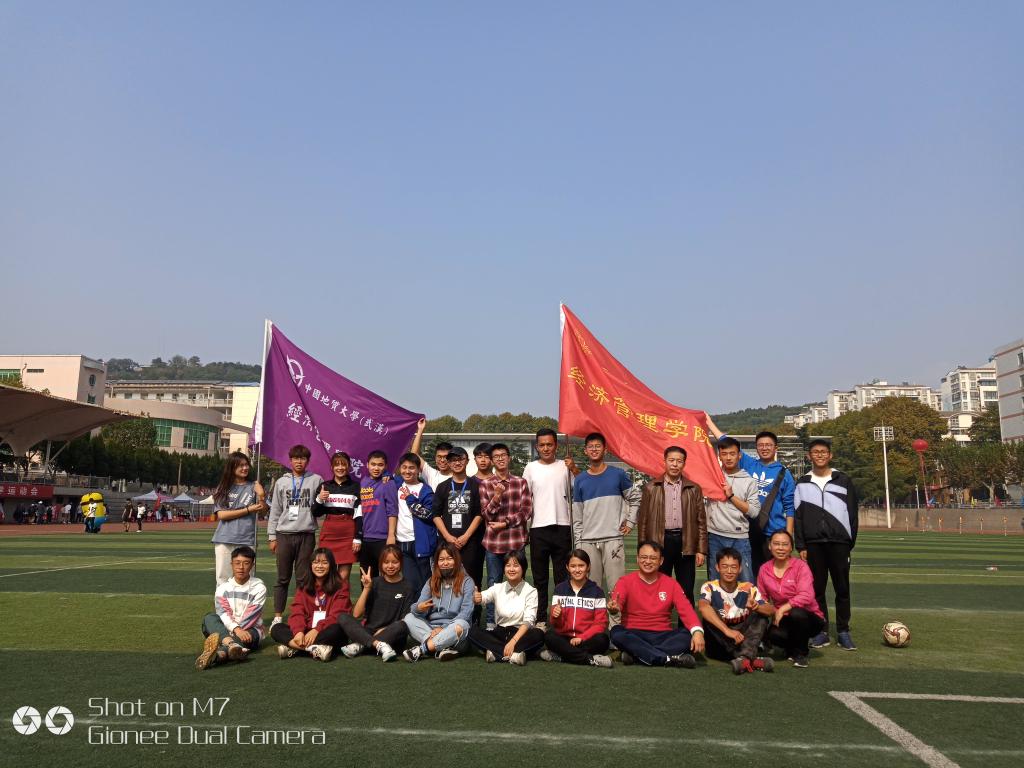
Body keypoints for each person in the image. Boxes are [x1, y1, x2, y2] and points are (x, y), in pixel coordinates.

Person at [705, 418, 795, 576]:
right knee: (750, 572)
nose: (764, 448)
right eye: (761, 445)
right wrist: (708, 421)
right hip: (749, 529)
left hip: (773, 531)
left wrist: (787, 537)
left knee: (774, 575)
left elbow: (789, 507)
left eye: (768, 445)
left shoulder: (784, 473)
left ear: (776, 448)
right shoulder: (750, 464)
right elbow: (726, 443)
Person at [794, 439, 859, 651]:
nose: (820, 455)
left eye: (823, 452)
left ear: (830, 455)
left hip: (839, 543)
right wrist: (801, 545)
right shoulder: (802, 482)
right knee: (817, 590)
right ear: (809, 456)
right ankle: (821, 631)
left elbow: (853, 513)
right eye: (815, 452)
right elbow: (798, 516)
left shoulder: (843, 480)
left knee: (842, 588)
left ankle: (843, 631)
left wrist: (848, 542)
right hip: (813, 544)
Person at [607, 540, 705, 667]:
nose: (648, 561)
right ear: (637, 559)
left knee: (687, 635)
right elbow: (617, 603)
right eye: (644, 557)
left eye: (653, 558)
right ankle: (666, 658)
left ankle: (638, 654)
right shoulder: (625, 581)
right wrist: (614, 608)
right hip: (634, 633)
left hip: (663, 636)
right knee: (616, 632)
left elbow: (686, 609)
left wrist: (697, 631)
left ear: (661, 561)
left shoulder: (671, 583)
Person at [570, 432, 640, 601]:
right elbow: (577, 514)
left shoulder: (618, 474)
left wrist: (630, 522)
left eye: (598, 446)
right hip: (588, 542)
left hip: (613, 539)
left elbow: (636, 497)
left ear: (605, 450)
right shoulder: (580, 480)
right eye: (590, 447)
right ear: (585, 451)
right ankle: (595, 619)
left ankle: (617, 619)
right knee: (591, 590)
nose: (594, 449)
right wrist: (579, 543)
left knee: (617, 589)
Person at [636, 445, 707, 606]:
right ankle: (660, 620)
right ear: (665, 461)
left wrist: (701, 550)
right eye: (671, 460)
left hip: (685, 542)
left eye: (679, 461)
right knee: (659, 588)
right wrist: (642, 549)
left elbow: (701, 521)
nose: (675, 464)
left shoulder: (694, 488)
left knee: (686, 589)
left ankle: (686, 622)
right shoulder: (651, 487)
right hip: (659, 542)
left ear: (684, 463)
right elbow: (643, 521)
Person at [522, 428, 574, 628]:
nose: (546, 448)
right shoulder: (530, 468)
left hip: (563, 526)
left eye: (549, 444)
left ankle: (562, 618)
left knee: (562, 577)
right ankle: (541, 618)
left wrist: (574, 469)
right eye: (542, 445)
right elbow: (525, 499)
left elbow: (578, 488)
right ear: (537, 447)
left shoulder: (565, 466)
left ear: (556, 446)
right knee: (540, 578)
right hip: (538, 528)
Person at [478, 443, 533, 630]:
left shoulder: (520, 482)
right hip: (494, 543)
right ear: (492, 461)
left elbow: (526, 511)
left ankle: (518, 621)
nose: (500, 459)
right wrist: (497, 496)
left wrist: (505, 523)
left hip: (516, 541)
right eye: (496, 456)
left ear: (509, 458)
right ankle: (491, 622)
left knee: (517, 582)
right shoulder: (486, 484)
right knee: (494, 583)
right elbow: (486, 515)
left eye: (503, 455)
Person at [267, 444, 323, 626]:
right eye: (296, 458)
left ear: (308, 461)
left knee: (303, 578)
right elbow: (275, 510)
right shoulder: (282, 482)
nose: (299, 462)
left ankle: (301, 614)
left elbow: (320, 507)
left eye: (303, 458)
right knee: (282, 578)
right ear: (290, 460)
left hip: (306, 535)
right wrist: (272, 537)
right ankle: (278, 616)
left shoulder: (316, 480)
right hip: (284, 534)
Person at [698, 547, 774, 674]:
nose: (729, 571)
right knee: (710, 615)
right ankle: (749, 658)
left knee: (761, 616)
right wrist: (727, 631)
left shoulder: (748, 588)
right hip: (719, 644)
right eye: (725, 566)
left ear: (740, 569)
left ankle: (744, 659)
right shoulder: (709, 586)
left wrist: (757, 607)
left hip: (741, 640)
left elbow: (771, 610)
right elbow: (703, 607)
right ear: (717, 568)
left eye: (733, 567)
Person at [431, 448, 485, 625]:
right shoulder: (443, 487)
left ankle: (473, 618)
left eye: (460, 459)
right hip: (447, 543)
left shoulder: (475, 485)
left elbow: (479, 514)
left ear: (467, 461)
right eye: (453, 460)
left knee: (472, 579)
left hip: (470, 542)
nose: (457, 462)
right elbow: (436, 515)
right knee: (447, 578)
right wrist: (447, 536)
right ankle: (445, 617)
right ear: (448, 463)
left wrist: (466, 536)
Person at [757, 530, 825, 668]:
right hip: (784, 618)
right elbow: (762, 597)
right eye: (776, 544)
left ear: (791, 548)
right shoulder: (764, 569)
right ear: (770, 546)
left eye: (785, 544)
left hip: (809, 617)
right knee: (774, 635)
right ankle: (791, 648)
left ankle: (801, 654)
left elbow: (807, 595)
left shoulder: (801, 566)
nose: (780, 548)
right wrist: (760, 606)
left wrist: (783, 608)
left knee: (796, 613)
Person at [270, 547, 348, 662]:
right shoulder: (304, 586)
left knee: (337, 629)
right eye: (315, 562)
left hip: (325, 630)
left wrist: (317, 630)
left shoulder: (341, 586)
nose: (319, 566)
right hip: (306, 631)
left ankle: (294, 647)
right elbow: (297, 612)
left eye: (324, 563)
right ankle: (314, 649)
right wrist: (298, 632)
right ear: (310, 565)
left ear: (331, 565)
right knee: (276, 628)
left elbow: (337, 615)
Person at [337, 545, 413, 662]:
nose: (390, 566)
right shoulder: (375, 583)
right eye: (386, 562)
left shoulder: (407, 587)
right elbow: (356, 614)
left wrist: (385, 630)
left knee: (402, 626)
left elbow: (405, 619)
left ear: (401, 563)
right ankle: (377, 645)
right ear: (381, 563)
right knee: (342, 617)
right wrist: (367, 588)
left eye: (394, 562)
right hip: (369, 631)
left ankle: (361, 645)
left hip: (392, 635)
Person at [196, 546, 265, 670]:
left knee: (248, 634)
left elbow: (251, 616)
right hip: (229, 630)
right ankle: (231, 647)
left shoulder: (259, 588)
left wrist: (236, 631)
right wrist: (235, 631)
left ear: (252, 565)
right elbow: (223, 613)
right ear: (231, 564)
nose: (241, 567)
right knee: (209, 617)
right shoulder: (223, 588)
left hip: (250, 630)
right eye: (237, 563)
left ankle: (219, 654)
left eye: (246, 563)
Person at [402, 542, 474, 661]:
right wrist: (419, 608)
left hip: (453, 628)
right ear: (437, 563)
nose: (445, 563)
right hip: (431, 629)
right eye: (441, 559)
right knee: (409, 618)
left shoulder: (467, 582)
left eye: (449, 559)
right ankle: (441, 647)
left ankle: (422, 649)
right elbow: (416, 608)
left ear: (456, 560)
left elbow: (466, 614)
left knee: (462, 625)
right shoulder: (432, 581)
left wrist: (444, 628)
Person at [470, 551, 545, 665]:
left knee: (539, 634)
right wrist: (477, 597)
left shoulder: (531, 591)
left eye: (516, 565)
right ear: (504, 568)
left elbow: (529, 621)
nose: (511, 569)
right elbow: (482, 597)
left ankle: (496, 653)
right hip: (499, 633)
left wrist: (513, 642)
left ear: (523, 568)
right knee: (472, 631)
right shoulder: (497, 587)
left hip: (520, 634)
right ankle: (515, 656)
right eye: (508, 565)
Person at [541, 549, 612, 668]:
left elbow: (600, 624)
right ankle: (590, 659)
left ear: (588, 567)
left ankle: (562, 656)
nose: (577, 570)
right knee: (549, 636)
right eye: (573, 566)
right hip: (565, 637)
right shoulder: (560, 589)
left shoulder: (597, 591)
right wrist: (556, 616)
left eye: (581, 565)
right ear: (567, 567)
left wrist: (581, 638)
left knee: (603, 640)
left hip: (586, 638)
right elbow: (555, 624)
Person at [704, 437, 760, 583]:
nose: (728, 458)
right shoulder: (712, 477)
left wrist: (731, 496)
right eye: (724, 454)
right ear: (719, 456)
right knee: (716, 584)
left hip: (739, 538)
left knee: (746, 583)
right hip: (714, 536)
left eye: (732, 453)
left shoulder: (748, 481)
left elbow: (754, 512)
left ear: (739, 455)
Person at [311, 451, 361, 610]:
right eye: (337, 465)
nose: (340, 468)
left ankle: (341, 607)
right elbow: (315, 512)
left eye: (343, 464)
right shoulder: (325, 486)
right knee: (325, 571)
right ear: (332, 467)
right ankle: (326, 607)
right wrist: (320, 499)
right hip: (329, 530)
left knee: (343, 576)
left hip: (348, 531)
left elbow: (359, 514)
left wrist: (357, 537)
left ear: (349, 467)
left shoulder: (356, 487)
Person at [211, 451, 266, 586]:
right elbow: (222, 515)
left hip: (247, 539)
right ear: (232, 467)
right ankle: (222, 602)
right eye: (241, 465)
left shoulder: (254, 486)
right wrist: (248, 510)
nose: (245, 468)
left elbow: (263, 512)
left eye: (246, 465)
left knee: (246, 580)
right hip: (225, 539)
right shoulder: (223, 488)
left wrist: (261, 496)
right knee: (223, 580)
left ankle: (244, 602)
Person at [393, 453, 436, 598]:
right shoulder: (397, 484)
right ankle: (414, 610)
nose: (407, 471)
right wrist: (386, 475)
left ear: (418, 470)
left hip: (421, 543)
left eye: (411, 468)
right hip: (402, 542)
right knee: (410, 583)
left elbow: (429, 514)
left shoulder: (426, 490)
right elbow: (384, 475)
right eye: (404, 467)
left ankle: (430, 609)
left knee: (426, 583)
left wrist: (410, 499)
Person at [358, 450, 398, 575]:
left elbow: (392, 511)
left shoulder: (388, 482)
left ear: (385, 466)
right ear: (367, 465)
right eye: (373, 464)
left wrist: (391, 535)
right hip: (365, 538)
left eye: (380, 465)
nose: (376, 468)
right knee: (366, 578)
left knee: (387, 577)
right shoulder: (363, 482)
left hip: (382, 538)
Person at [410, 418, 478, 489]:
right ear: (435, 458)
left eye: (445, 457)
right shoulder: (431, 474)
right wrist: (420, 429)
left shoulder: (463, 480)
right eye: (439, 457)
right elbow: (414, 455)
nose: (442, 460)